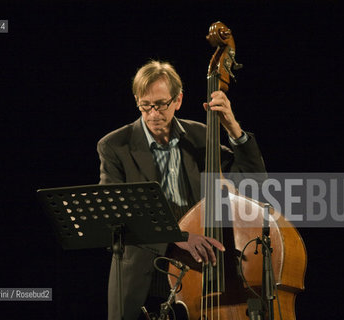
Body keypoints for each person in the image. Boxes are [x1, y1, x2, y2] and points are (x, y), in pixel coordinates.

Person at [97, 60, 266, 320]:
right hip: (143, 277)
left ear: (178, 100)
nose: (153, 114)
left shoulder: (201, 136)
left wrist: (232, 127)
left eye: (161, 104)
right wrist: (178, 235)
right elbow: (117, 215)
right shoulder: (115, 146)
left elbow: (253, 184)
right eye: (145, 105)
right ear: (137, 101)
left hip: (199, 274)